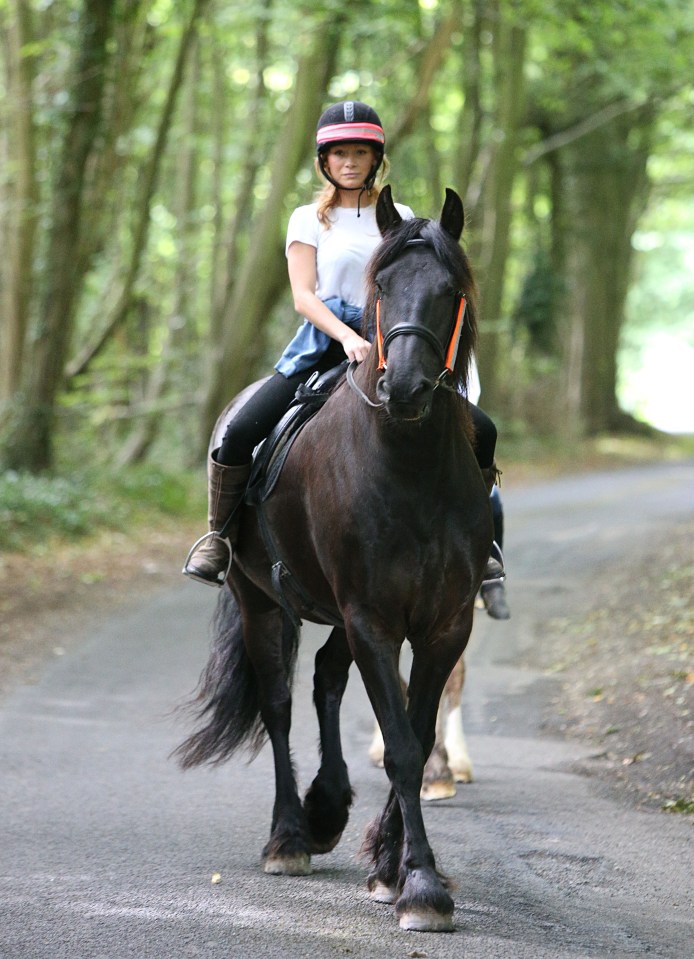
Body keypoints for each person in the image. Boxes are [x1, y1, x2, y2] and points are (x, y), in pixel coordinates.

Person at [183, 100, 503, 588]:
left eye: (359, 152)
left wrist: (387, 340)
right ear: (324, 161)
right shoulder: (306, 219)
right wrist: (350, 338)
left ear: (375, 159)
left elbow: (416, 285)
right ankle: (219, 538)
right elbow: (303, 295)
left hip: (393, 344)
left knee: (481, 430)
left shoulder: (401, 216)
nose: (349, 162)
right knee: (238, 433)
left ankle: (480, 543)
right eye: (339, 154)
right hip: (324, 341)